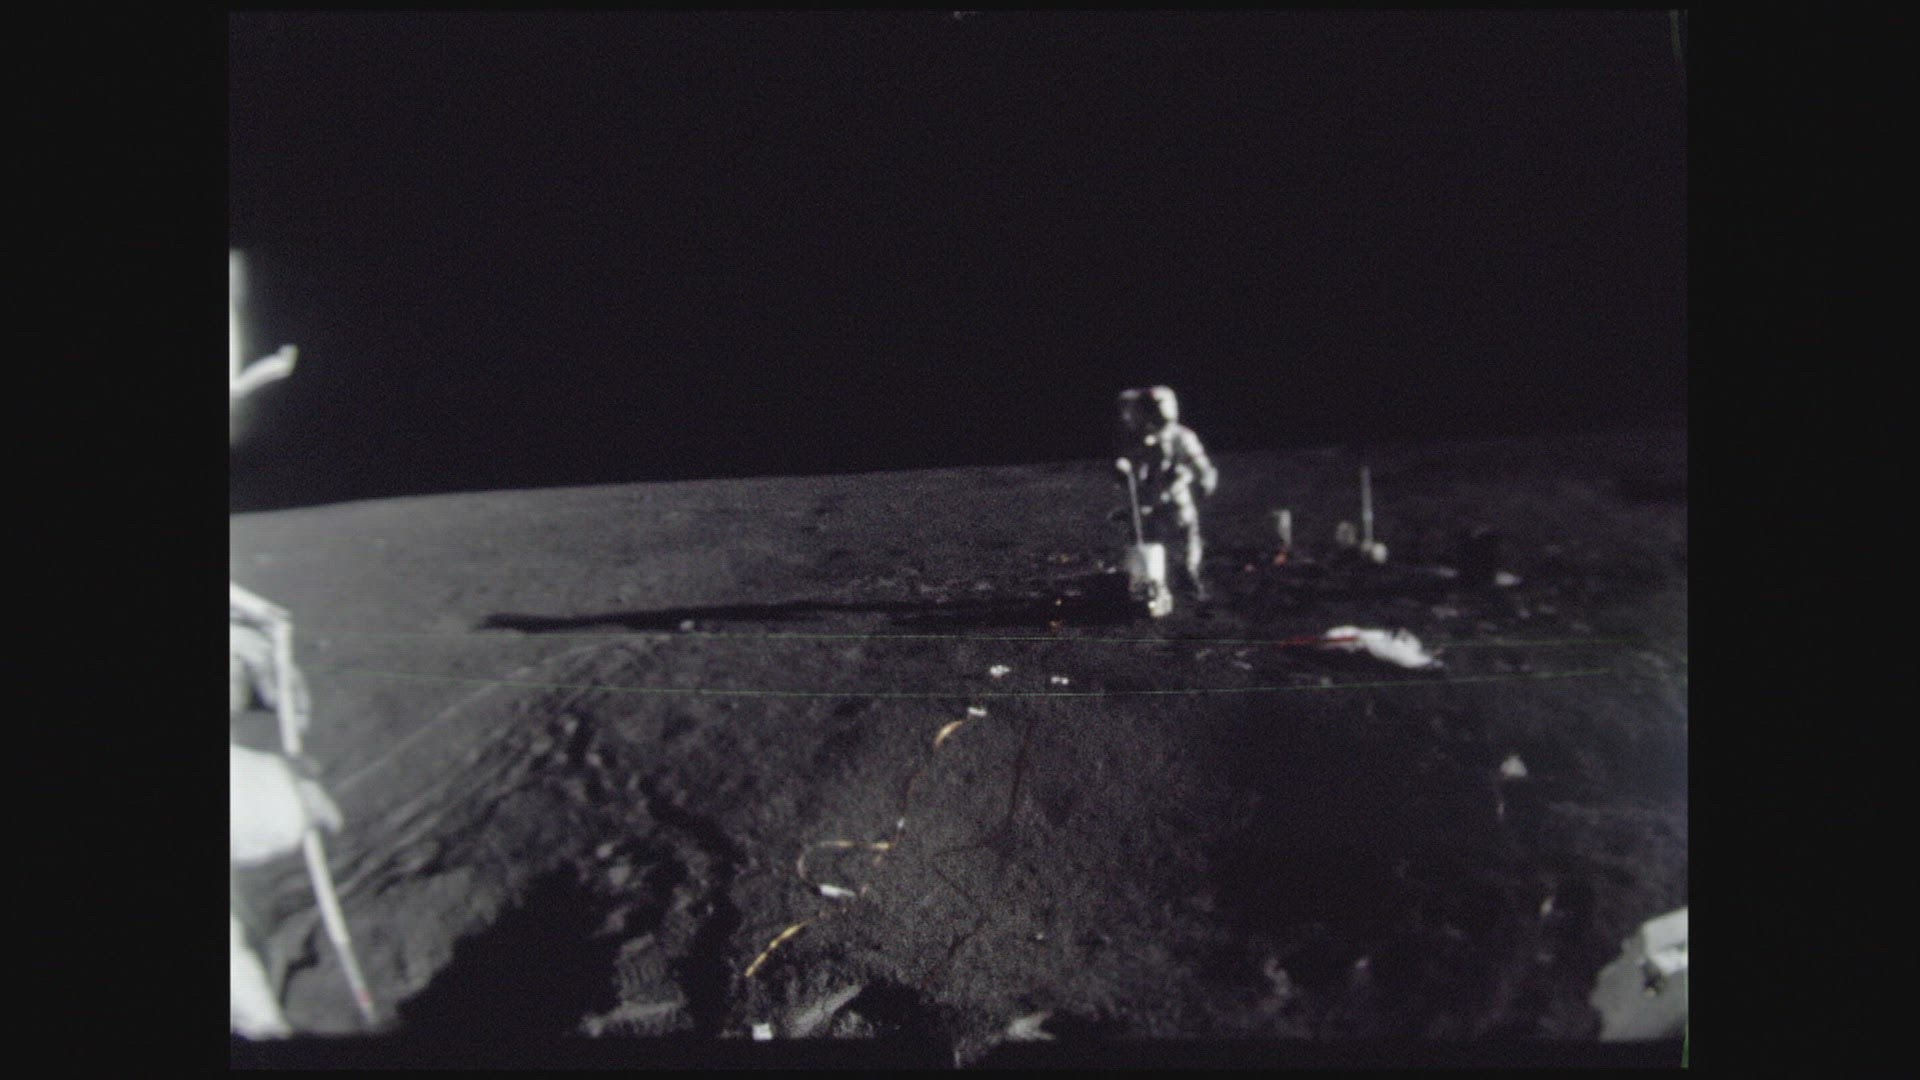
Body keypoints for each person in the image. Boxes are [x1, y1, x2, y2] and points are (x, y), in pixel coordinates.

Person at [1114, 386, 1218, 600]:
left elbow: (1199, 463)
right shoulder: (1142, 438)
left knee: (1183, 541)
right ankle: (1154, 585)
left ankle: (1186, 575)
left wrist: (1204, 478)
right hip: (1150, 502)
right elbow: (1132, 467)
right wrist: (1123, 469)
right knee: (1150, 543)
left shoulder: (1180, 437)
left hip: (1174, 499)